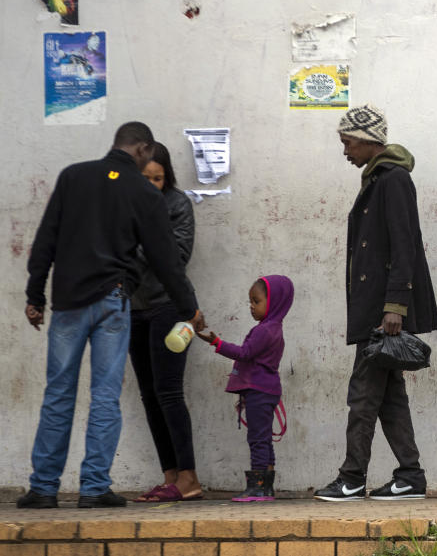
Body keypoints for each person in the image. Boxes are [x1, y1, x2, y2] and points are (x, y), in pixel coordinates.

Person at [20, 122, 203, 509]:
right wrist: (189, 310)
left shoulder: (73, 176)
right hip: (113, 302)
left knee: (58, 393)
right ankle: (93, 488)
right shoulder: (143, 193)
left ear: (117, 143)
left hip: (68, 301)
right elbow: (167, 260)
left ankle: (43, 488)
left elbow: (46, 238)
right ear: (144, 149)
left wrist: (35, 293)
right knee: (105, 396)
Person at [313, 104, 437, 502]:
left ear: (368, 141)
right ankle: (410, 475)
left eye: (347, 142)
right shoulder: (378, 179)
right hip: (376, 308)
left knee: (363, 397)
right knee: (389, 399)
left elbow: (405, 246)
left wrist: (395, 307)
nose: (345, 150)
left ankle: (352, 478)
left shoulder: (393, 180)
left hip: (383, 312)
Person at [127, 142, 203, 503]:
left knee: (169, 392)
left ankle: (189, 477)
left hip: (171, 308)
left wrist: (135, 244)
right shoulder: (124, 203)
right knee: (149, 395)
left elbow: (178, 255)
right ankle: (170, 477)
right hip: (134, 309)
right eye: (146, 178)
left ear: (167, 177)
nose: (152, 184)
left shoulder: (176, 204)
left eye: (158, 178)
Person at [197, 275, 295, 502]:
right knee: (264, 438)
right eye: (250, 301)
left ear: (275, 302)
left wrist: (216, 343)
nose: (251, 306)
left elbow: (244, 353)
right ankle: (266, 486)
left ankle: (258, 488)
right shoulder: (274, 329)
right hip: (268, 391)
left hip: (259, 391)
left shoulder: (264, 330)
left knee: (257, 439)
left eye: (256, 301)